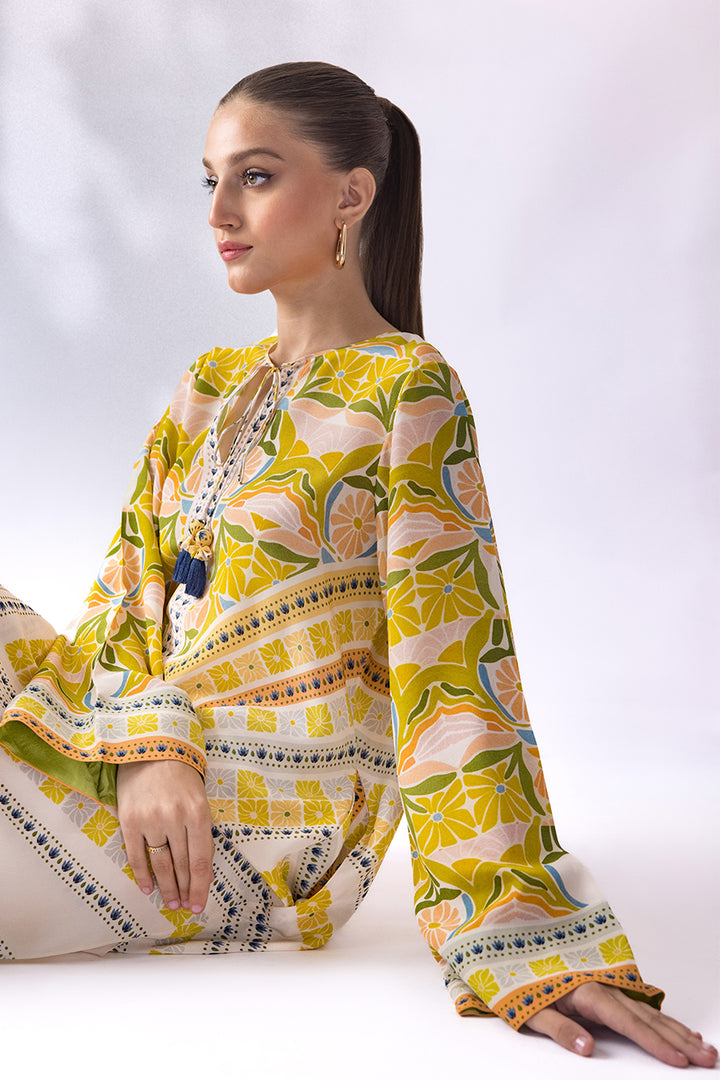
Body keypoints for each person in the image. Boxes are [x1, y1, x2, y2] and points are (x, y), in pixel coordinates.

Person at [0, 61, 715, 1068]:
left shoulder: (409, 390)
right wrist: (151, 744)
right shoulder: (206, 387)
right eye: (210, 179)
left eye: (254, 176)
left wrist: (519, 937)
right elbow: (122, 604)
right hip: (152, 760)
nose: (219, 211)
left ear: (351, 194)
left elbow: (454, 670)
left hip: (270, 822)